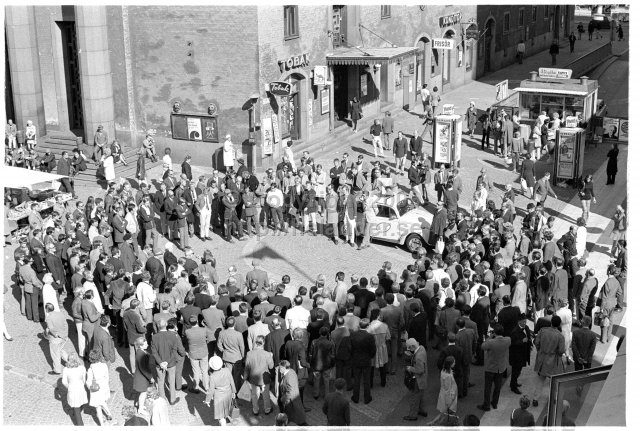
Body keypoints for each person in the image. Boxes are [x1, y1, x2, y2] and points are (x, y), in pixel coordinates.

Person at [532, 315, 565, 406]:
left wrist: (540, 350)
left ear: (551, 322)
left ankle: (535, 398)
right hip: (553, 360)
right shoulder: (560, 336)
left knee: (540, 380)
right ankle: (553, 399)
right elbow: (561, 350)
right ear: (558, 324)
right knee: (553, 381)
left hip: (542, 359)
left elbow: (536, 342)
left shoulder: (543, 331)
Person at [477, 324, 511, 411]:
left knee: (488, 387)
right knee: (497, 387)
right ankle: (495, 403)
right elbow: (508, 339)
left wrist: (490, 337)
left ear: (494, 332)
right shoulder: (507, 340)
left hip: (490, 368)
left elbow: (482, 346)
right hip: (501, 368)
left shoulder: (491, 342)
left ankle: (486, 405)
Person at [151, 319, 185, 404]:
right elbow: (174, 351)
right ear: (166, 324)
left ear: (158, 326)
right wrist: (167, 362)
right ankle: (172, 399)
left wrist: (161, 363)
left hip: (159, 364)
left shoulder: (154, 337)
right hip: (171, 363)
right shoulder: (173, 335)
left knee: (160, 381)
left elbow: (154, 352)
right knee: (171, 381)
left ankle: (162, 399)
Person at [204, 355, 237, 427]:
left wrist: (207, 400)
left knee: (220, 416)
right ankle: (227, 417)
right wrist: (234, 391)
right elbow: (232, 381)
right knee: (227, 408)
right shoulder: (227, 370)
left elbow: (211, 390)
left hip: (219, 397)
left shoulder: (212, 377)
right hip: (228, 393)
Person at [350, 319, 376, 404]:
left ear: (359, 326)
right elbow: (373, 350)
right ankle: (367, 398)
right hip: (366, 360)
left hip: (356, 360)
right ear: (367, 326)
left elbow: (350, 348)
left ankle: (355, 397)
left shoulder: (353, 335)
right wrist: (370, 356)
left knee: (356, 380)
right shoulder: (370, 337)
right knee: (366, 380)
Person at [86, 349, 114, 425]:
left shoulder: (90, 370)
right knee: (103, 401)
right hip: (104, 386)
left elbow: (88, 382)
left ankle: (102, 424)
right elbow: (107, 377)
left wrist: (89, 387)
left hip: (96, 389)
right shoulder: (104, 365)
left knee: (98, 407)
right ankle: (109, 413)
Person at [403, 338, 428, 420]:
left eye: (410, 348)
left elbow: (420, 370)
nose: (409, 350)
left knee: (414, 397)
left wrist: (410, 368)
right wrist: (412, 355)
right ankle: (422, 410)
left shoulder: (418, 357)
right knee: (420, 395)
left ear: (413, 346)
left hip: (418, 380)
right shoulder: (421, 348)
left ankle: (413, 415)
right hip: (423, 379)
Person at [276, 360, 308, 426]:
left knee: (295, 418)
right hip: (291, 401)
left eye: (280, 368)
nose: (279, 369)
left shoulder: (289, 376)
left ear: (283, 368)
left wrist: (282, 399)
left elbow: (290, 391)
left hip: (291, 402)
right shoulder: (291, 371)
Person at [61, 352, 88, 426]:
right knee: (80, 403)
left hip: (72, 389)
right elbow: (84, 380)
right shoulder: (82, 367)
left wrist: (68, 386)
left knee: (76, 406)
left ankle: (79, 422)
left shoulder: (66, 369)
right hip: (80, 388)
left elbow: (64, 382)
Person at [509, 313, 532, 393]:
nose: (525, 323)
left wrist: (530, 343)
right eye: (523, 321)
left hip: (523, 354)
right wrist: (521, 341)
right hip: (516, 356)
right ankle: (513, 386)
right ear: (519, 322)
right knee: (515, 371)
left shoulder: (526, 328)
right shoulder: (514, 331)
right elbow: (512, 343)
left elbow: (529, 337)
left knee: (518, 370)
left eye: (525, 321)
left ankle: (514, 383)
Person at [431, 356, 458, 425]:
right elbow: (448, 389)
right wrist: (450, 401)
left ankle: (433, 423)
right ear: (450, 364)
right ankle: (434, 423)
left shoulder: (443, 370)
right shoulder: (448, 376)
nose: (455, 363)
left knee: (443, 413)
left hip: (443, 395)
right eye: (454, 362)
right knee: (445, 413)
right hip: (448, 397)